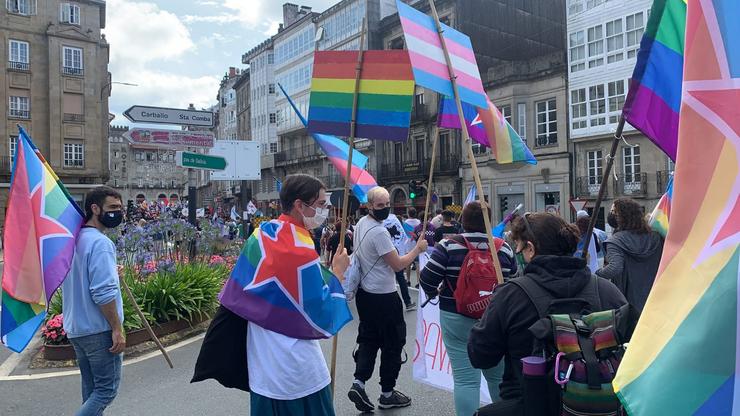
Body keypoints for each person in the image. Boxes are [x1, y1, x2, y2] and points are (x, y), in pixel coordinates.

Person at [467, 213, 627, 416]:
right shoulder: (607, 290)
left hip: (528, 405)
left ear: (531, 248)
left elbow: (480, 356)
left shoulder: (510, 294)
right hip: (599, 407)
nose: (518, 253)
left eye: (519, 247)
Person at [420, 202, 517, 416]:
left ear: (463, 221)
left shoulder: (448, 246)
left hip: (455, 316)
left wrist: (436, 292)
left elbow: (426, 279)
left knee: (465, 379)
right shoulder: (504, 248)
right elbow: (512, 284)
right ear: (488, 220)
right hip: (494, 320)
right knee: (497, 377)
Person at [348, 186, 428, 412]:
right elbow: (398, 265)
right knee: (393, 344)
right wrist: (418, 250)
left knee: (369, 338)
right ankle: (387, 392)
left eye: (386, 205)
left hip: (365, 295)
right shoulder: (379, 232)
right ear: (369, 205)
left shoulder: (362, 223)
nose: (384, 209)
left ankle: (359, 382)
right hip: (384, 296)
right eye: (379, 205)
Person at [62, 186, 126, 415]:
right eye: (113, 208)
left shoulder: (73, 240)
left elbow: (82, 277)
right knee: (105, 391)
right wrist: (117, 328)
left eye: (120, 208)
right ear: (95, 208)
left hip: (76, 329)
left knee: (91, 390)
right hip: (98, 330)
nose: (118, 213)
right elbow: (103, 293)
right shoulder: (100, 243)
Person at [596, 198, 663, 312]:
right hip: (656, 298)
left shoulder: (615, 241)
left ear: (621, 218)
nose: (611, 214)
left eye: (613, 212)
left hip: (628, 303)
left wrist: (596, 274)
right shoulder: (656, 237)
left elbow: (614, 268)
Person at [383, 211, 417, 310]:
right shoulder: (394, 222)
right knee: (399, 279)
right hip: (393, 254)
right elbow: (403, 238)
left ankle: (404, 302)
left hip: (389, 254)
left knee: (395, 279)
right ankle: (407, 302)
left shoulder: (383, 224)